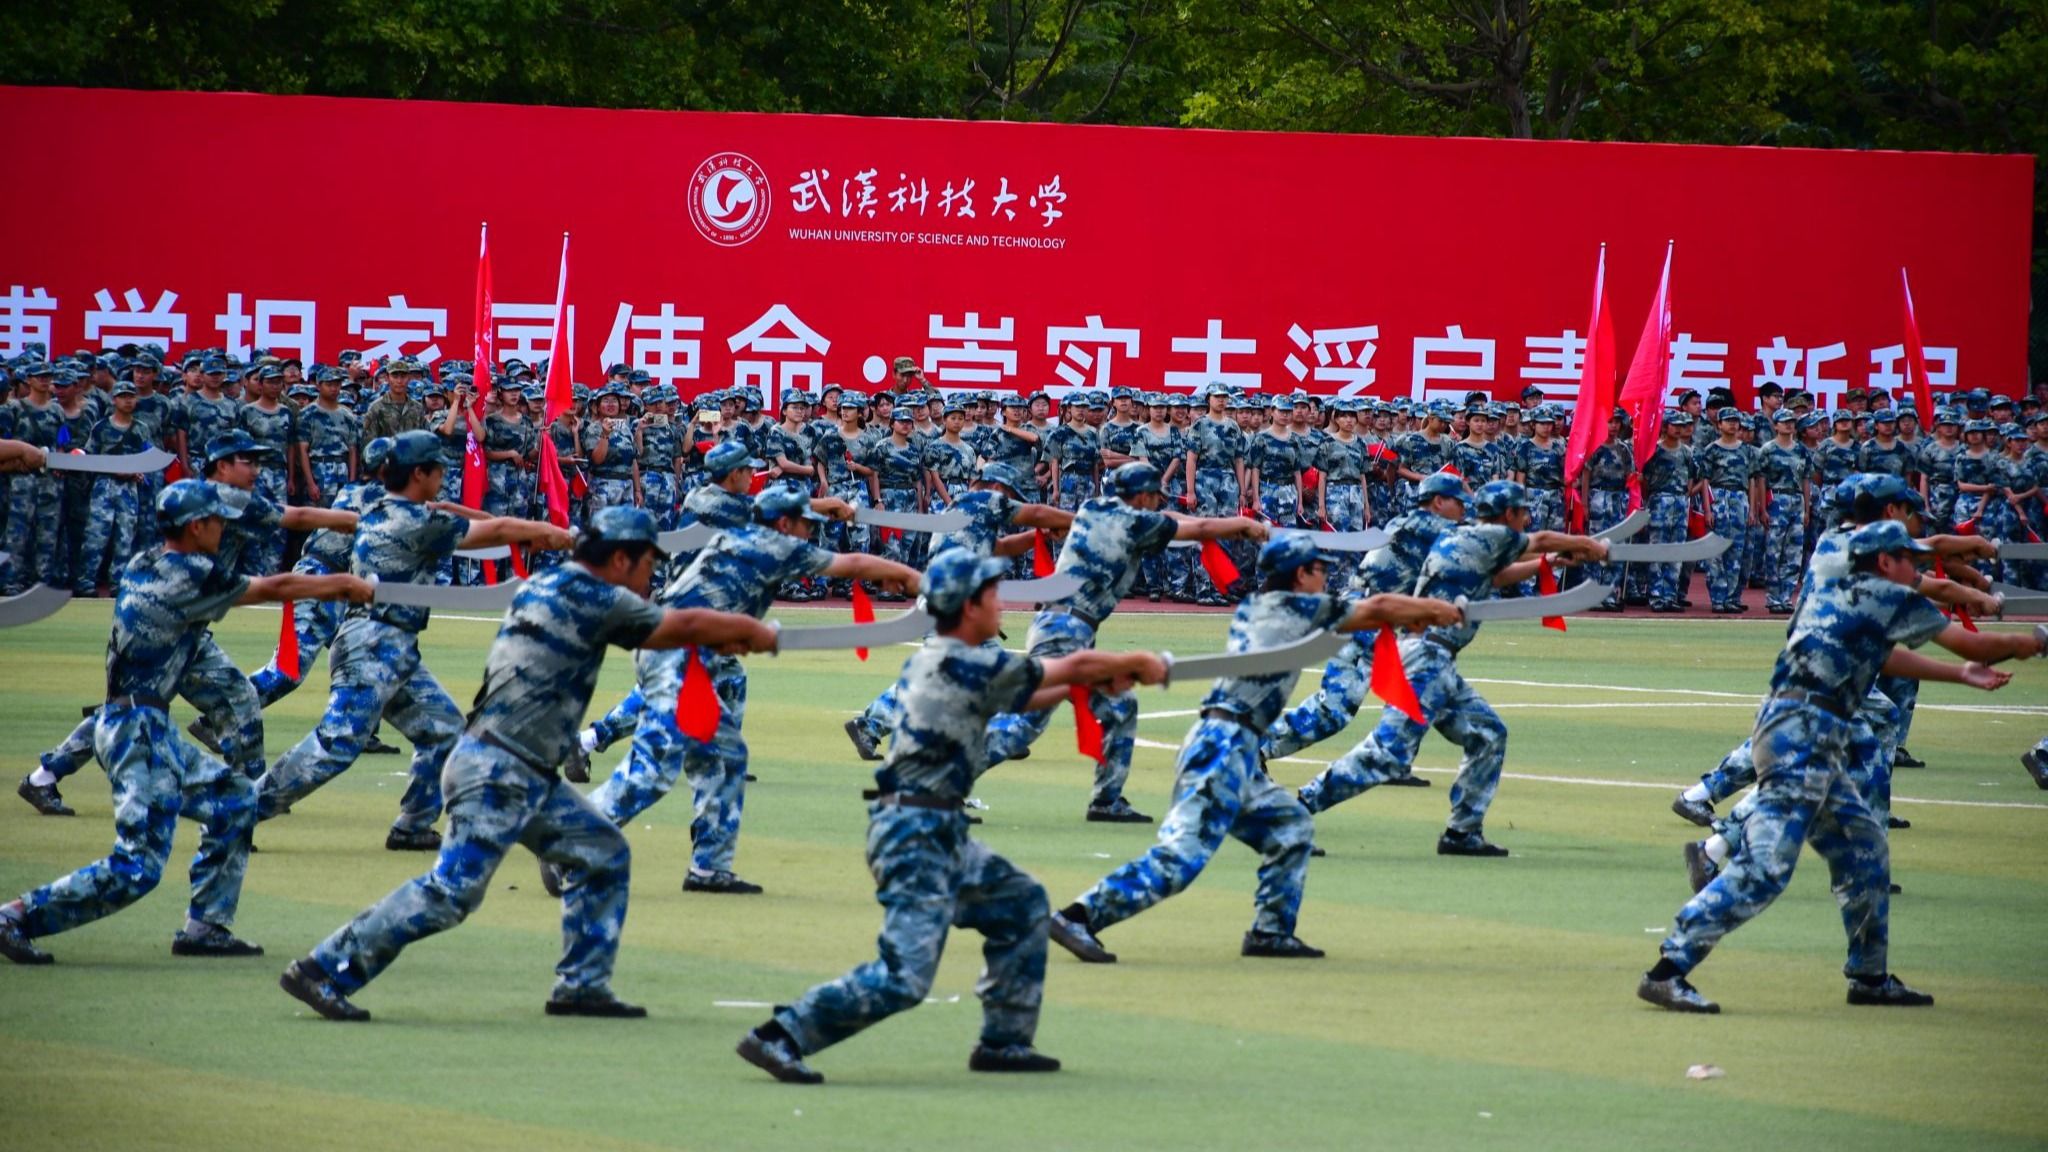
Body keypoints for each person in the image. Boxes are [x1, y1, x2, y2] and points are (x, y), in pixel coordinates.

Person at [278, 507, 779, 1021]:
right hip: (498, 769)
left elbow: (669, 632)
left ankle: (581, 986)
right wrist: (751, 631)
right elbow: (681, 624)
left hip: (516, 766)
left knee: (601, 853)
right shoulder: (592, 595)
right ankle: (324, 968)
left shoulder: (552, 584)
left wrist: (718, 635)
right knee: (451, 893)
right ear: (621, 558)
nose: (652, 575)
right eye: (648, 563)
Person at [736, 549, 1167, 1084]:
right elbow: (1070, 666)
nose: (1000, 603)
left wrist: (1090, 683)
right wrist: (1135, 663)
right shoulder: (964, 662)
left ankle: (1004, 1041)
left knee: (1022, 905)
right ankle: (781, 1035)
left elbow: (1028, 695)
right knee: (905, 977)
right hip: (915, 834)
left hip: (933, 829)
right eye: (991, 595)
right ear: (968, 607)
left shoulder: (947, 658)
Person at [1637, 520, 2039, 1014]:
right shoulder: (1885, 597)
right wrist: (2033, 641)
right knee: (1766, 868)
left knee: (1865, 852)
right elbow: (1975, 644)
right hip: (1803, 737)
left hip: (1807, 731)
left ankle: (1869, 976)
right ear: (1885, 561)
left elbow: (1883, 659)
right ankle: (1667, 970)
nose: (1915, 566)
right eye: (1907, 558)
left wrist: (1959, 674)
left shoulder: (1836, 588)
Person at [0, 480, 373, 965]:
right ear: (197, 527)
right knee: (137, 865)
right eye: (217, 521)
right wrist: (345, 585)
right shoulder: (191, 575)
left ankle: (206, 926)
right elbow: (274, 588)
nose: (223, 528)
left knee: (237, 800)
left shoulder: (144, 562)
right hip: (137, 730)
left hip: (139, 723)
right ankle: (16, 917)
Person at [1048, 536, 1457, 967]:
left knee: (1290, 826)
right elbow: (1377, 608)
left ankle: (1271, 931)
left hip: (1233, 744)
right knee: (1181, 857)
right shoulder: (1290, 607)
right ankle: (1079, 916)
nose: (1327, 576)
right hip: (1224, 745)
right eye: (1320, 570)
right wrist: (1437, 609)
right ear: (1300, 574)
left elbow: (1370, 617)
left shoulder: (1262, 607)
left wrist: (1413, 615)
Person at [577, 486, 916, 894]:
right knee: (654, 769)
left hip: (682, 651)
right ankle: (572, 837)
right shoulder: (777, 545)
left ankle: (708, 868)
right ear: (784, 523)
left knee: (725, 757)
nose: (810, 533)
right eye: (806, 525)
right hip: (675, 653)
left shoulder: (740, 534)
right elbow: (854, 564)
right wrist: (915, 579)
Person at [255, 430, 575, 849]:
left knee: (444, 731)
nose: (443, 475)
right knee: (336, 744)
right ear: (419, 473)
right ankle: (240, 810)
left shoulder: (378, 504)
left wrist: (535, 530)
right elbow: (494, 529)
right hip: (373, 644)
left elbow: (459, 515)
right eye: (438, 469)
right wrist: (551, 532)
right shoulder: (417, 522)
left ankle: (413, 825)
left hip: (391, 645)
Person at [1295, 480, 1608, 855]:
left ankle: (1462, 832)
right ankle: (1294, 811)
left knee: (1488, 735)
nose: (1526, 519)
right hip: (1426, 659)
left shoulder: (1469, 538)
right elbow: (1540, 540)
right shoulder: (1489, 535)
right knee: (1387, 754)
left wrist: (1549, 563)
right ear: (1508, 514)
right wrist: (1593, 546)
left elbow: (1497, 577)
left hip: (1433, 659)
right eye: (1522, 512)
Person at [981, 461, 1266, 822]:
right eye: (1155, 497)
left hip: (1059, 625)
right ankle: (941, 779)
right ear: (1143, 496)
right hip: (1067, 632)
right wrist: (1243, 525)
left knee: (1119, 706)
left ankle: (1106, 800)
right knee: (1025, 724)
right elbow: (1202, 528)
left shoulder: (1093, 508)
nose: (1157, 503)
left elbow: (1173, 520)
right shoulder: (1136, 523)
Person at [843, 461, 1074, 761]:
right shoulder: (984, 500)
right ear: (997, 487)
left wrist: (1039, 536)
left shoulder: (964, 510)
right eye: (1009, 494)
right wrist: (1083, 521)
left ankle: (997, 732)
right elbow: (1038, 513)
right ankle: (871, 724)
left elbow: (1002, 547)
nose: (1010, 501)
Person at [1260, 469, 1469, 766]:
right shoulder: (1427, 526)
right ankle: (1254, 749)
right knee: (1335, 709)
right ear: (1438, 502)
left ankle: (1393, 761)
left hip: (1380, 619)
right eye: (1458, 503)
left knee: (1416, 687)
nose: (1463, 510)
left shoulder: (1415, 524)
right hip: (1364, 621)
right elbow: (1484, 546)